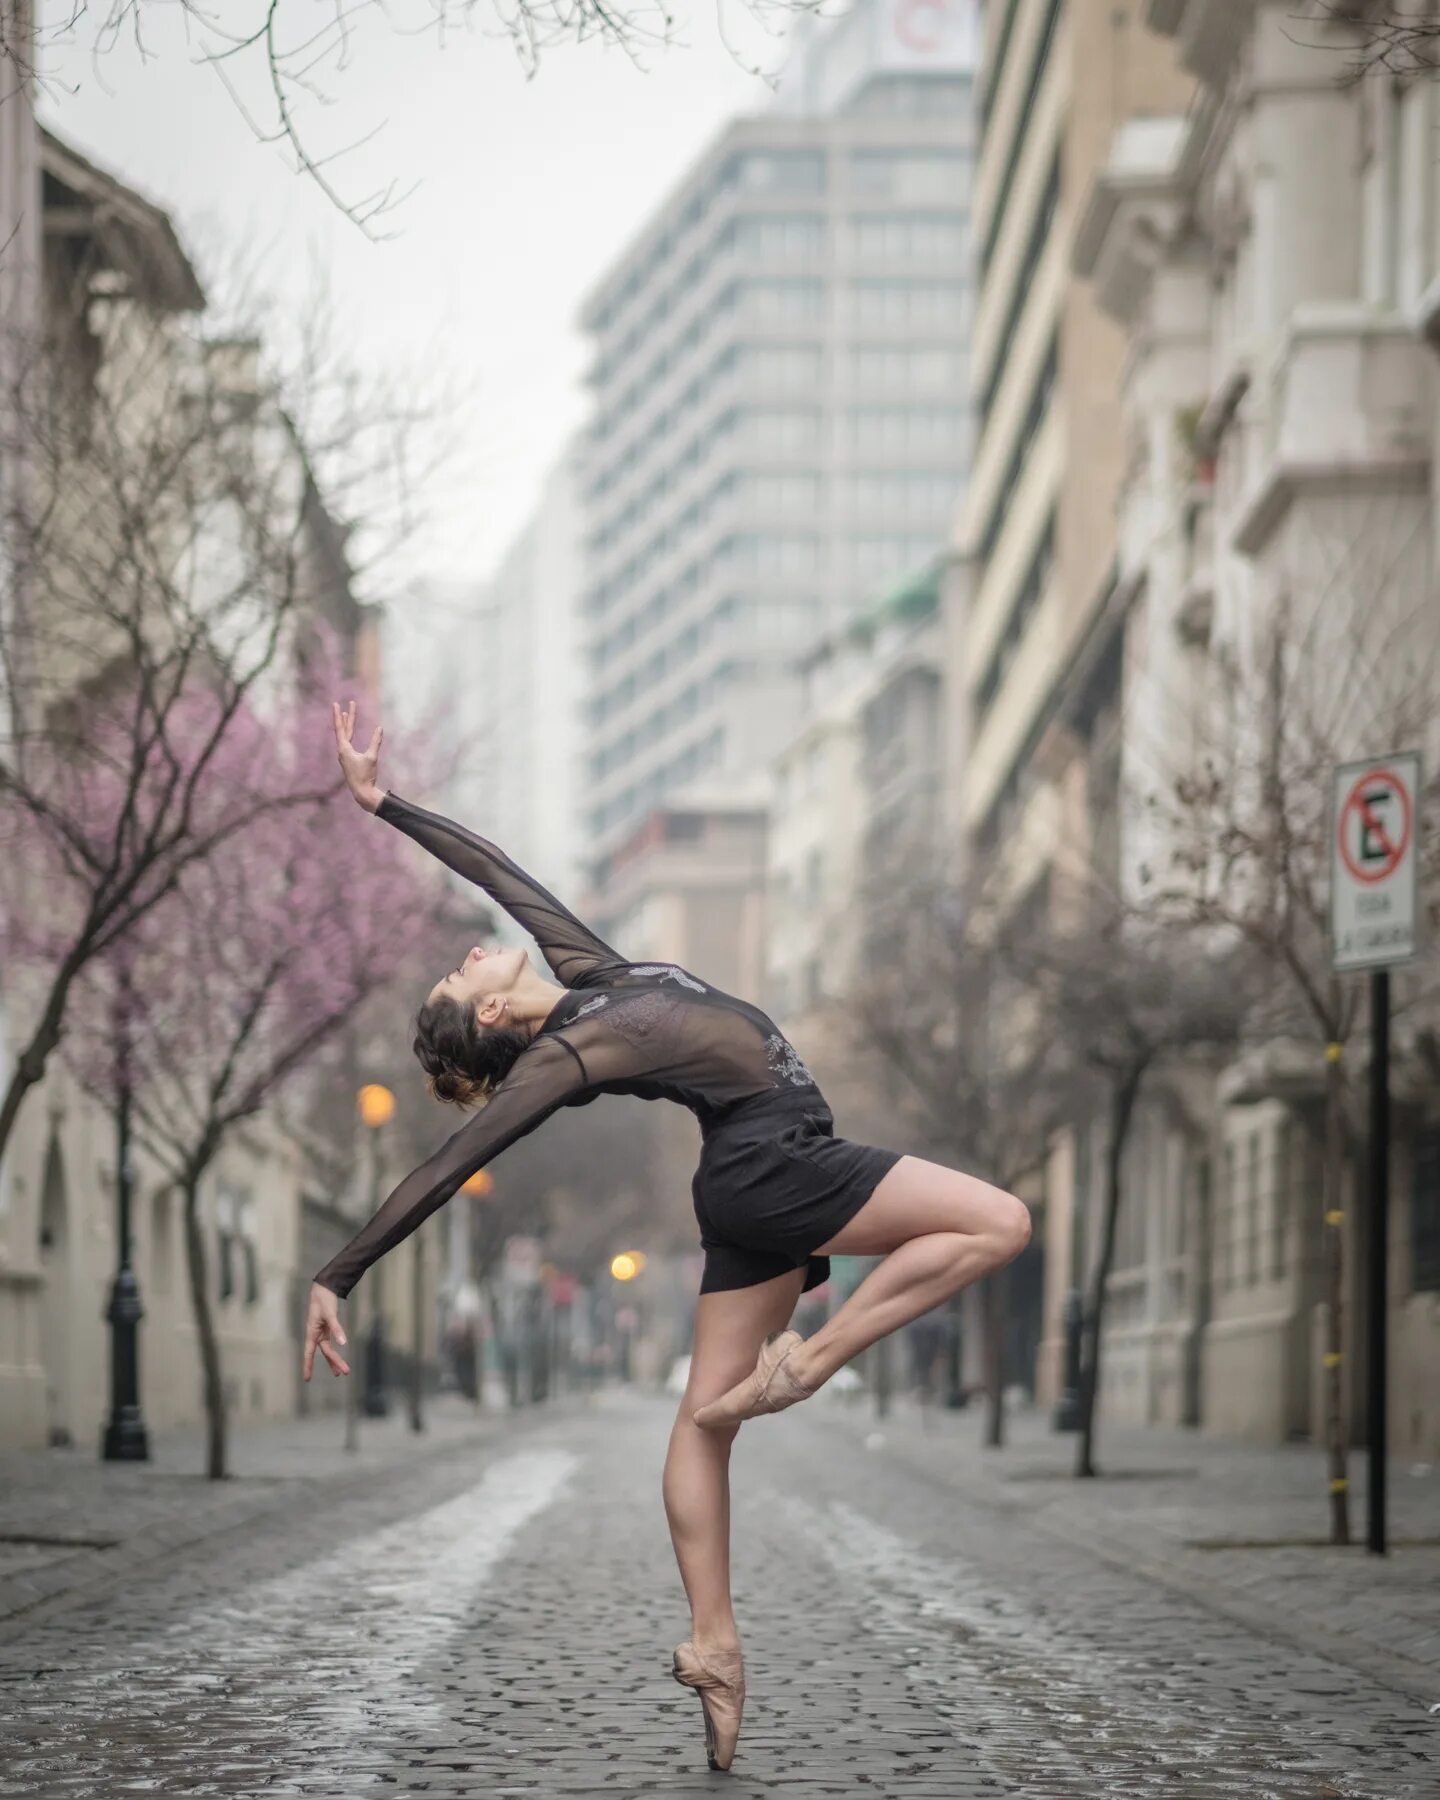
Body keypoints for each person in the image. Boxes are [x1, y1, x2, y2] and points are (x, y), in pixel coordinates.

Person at [303, 701, 1031, 1774]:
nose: (470, 951)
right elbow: (444, 1168)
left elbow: (496, 871)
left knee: (702, 1424)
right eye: (462, 978)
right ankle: (813, 1363)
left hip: (746, 1177)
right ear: (493, 1020)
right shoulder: (567, 1052)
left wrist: (385, 804)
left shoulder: (590, 974)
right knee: (1000, 1221)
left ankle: (718, 1650)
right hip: (775, 1164)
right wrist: (338, 1274)